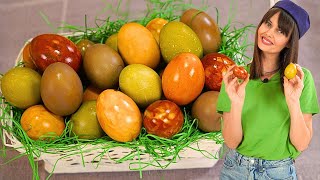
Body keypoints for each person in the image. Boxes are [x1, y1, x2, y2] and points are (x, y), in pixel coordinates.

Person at [217, 0, 319, 179]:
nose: (268, 33)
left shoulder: (300, 80)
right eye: (268, 23)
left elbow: (301, 144)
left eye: (280, 31)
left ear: (289, 42)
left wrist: (293, 101)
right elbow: (232, 142)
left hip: (278, 172)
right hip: (236, 170)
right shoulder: (236, 78)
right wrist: (236, 102)